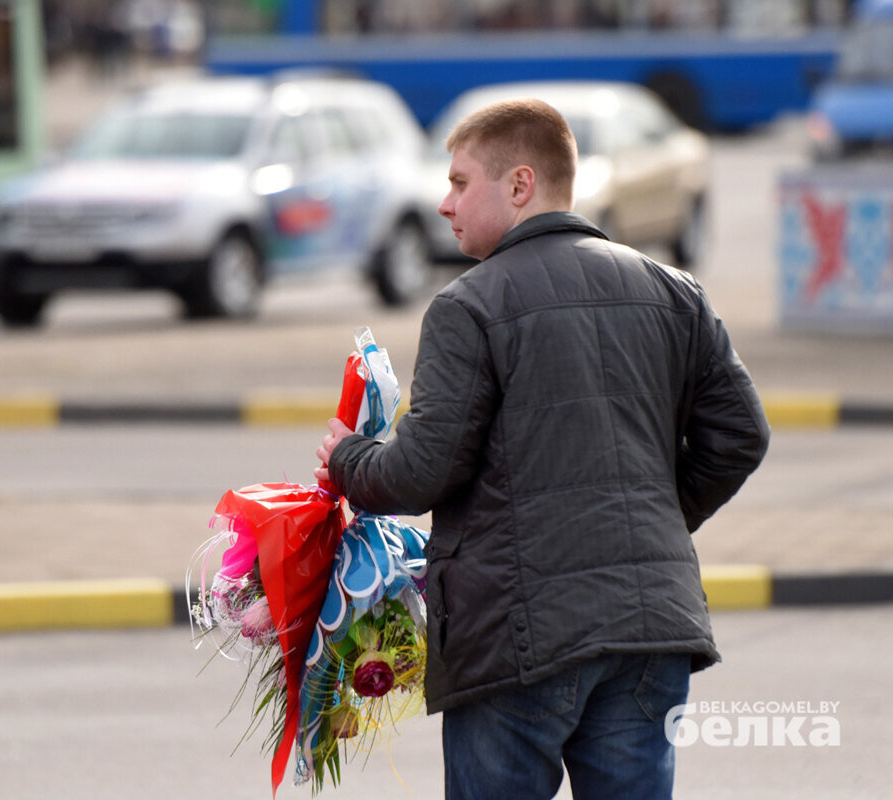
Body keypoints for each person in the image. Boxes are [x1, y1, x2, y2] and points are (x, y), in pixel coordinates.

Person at [314, 98, 770, 799]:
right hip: (651, 628)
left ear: (520, 185)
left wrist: (349, 459)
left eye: (461, 182)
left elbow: (419, 472)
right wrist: (652, 520)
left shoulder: (469, 306)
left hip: (517, 636)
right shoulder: (675, 292)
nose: (444, 203)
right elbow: (741, 436)